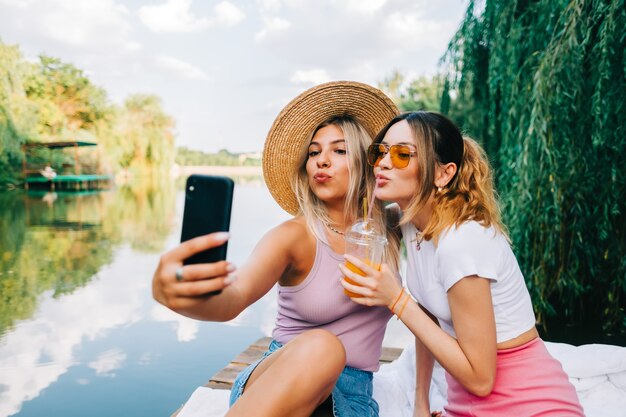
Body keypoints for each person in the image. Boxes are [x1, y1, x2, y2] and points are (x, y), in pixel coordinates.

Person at [152, 81, 401, 417]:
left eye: (339, 151)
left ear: (366, 162)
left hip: (350, 397)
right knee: (323, 347)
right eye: (314, 152)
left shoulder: (395, 228)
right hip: (278, 379)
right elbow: (234, 297)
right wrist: (183, 294)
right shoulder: (293, 236)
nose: (321, 161)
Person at [339, 111, 585, 417]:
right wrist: (421, 403)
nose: (383, 163)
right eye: (380, 151)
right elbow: (428, 315)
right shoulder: (412, 223)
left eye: (402, 154)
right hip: (465, 404)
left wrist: (396, 299)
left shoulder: (462, 242)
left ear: (443, 174)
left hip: (529, 404)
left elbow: (482, 380)